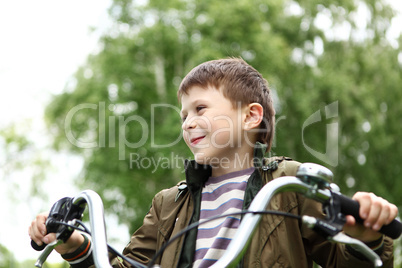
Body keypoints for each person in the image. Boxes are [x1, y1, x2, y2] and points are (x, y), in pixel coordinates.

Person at [29, 58, 399, 267]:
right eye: (183, 114)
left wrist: (365, 235)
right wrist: (73, 242)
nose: (187, 122)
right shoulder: (168, 204)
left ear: (251, 116)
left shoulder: (289, 184)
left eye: (200, 109)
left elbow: (350, 265)